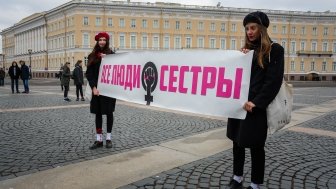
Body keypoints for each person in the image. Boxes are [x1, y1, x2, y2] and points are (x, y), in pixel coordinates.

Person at [226, 11, 284, 189]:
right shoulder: (247, 51)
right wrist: (241, 58)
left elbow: (273, 81)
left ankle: (256, 183)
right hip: (239, 104)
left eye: (253, 28)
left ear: (262, 29)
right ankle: (237, 177)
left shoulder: (275, 50)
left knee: (256, 146)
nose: (249, 32)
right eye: (247, 29)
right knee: (237, 142)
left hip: (255, 108)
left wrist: (257, 103)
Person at [86, 32, 116, 149]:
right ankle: (99, 139)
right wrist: (94, 88)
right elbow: (89, 74)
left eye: (104, 40)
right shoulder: (92, 56)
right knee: (98, 114)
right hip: (97, 91)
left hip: (109, 90)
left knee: (109, 113)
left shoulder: (112, 55)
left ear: (107, 41)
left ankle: (108, 138)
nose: (102, 42)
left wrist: (108, 59)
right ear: (97, 41)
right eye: (100, 40)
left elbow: (116, 71)